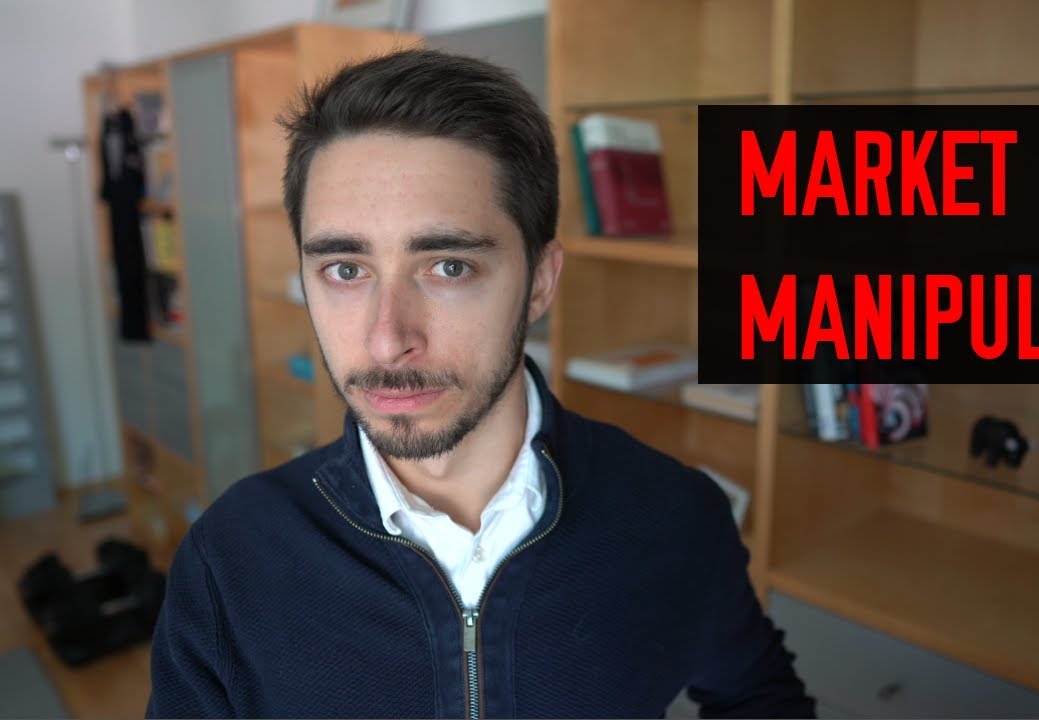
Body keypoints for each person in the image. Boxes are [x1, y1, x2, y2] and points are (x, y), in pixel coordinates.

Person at [146, 46, 816, 719]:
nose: (387, 338)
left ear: (540, 283)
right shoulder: (229, 561)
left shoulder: (674, 517)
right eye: (346, 270)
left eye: (449, 267)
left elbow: (762, 699)